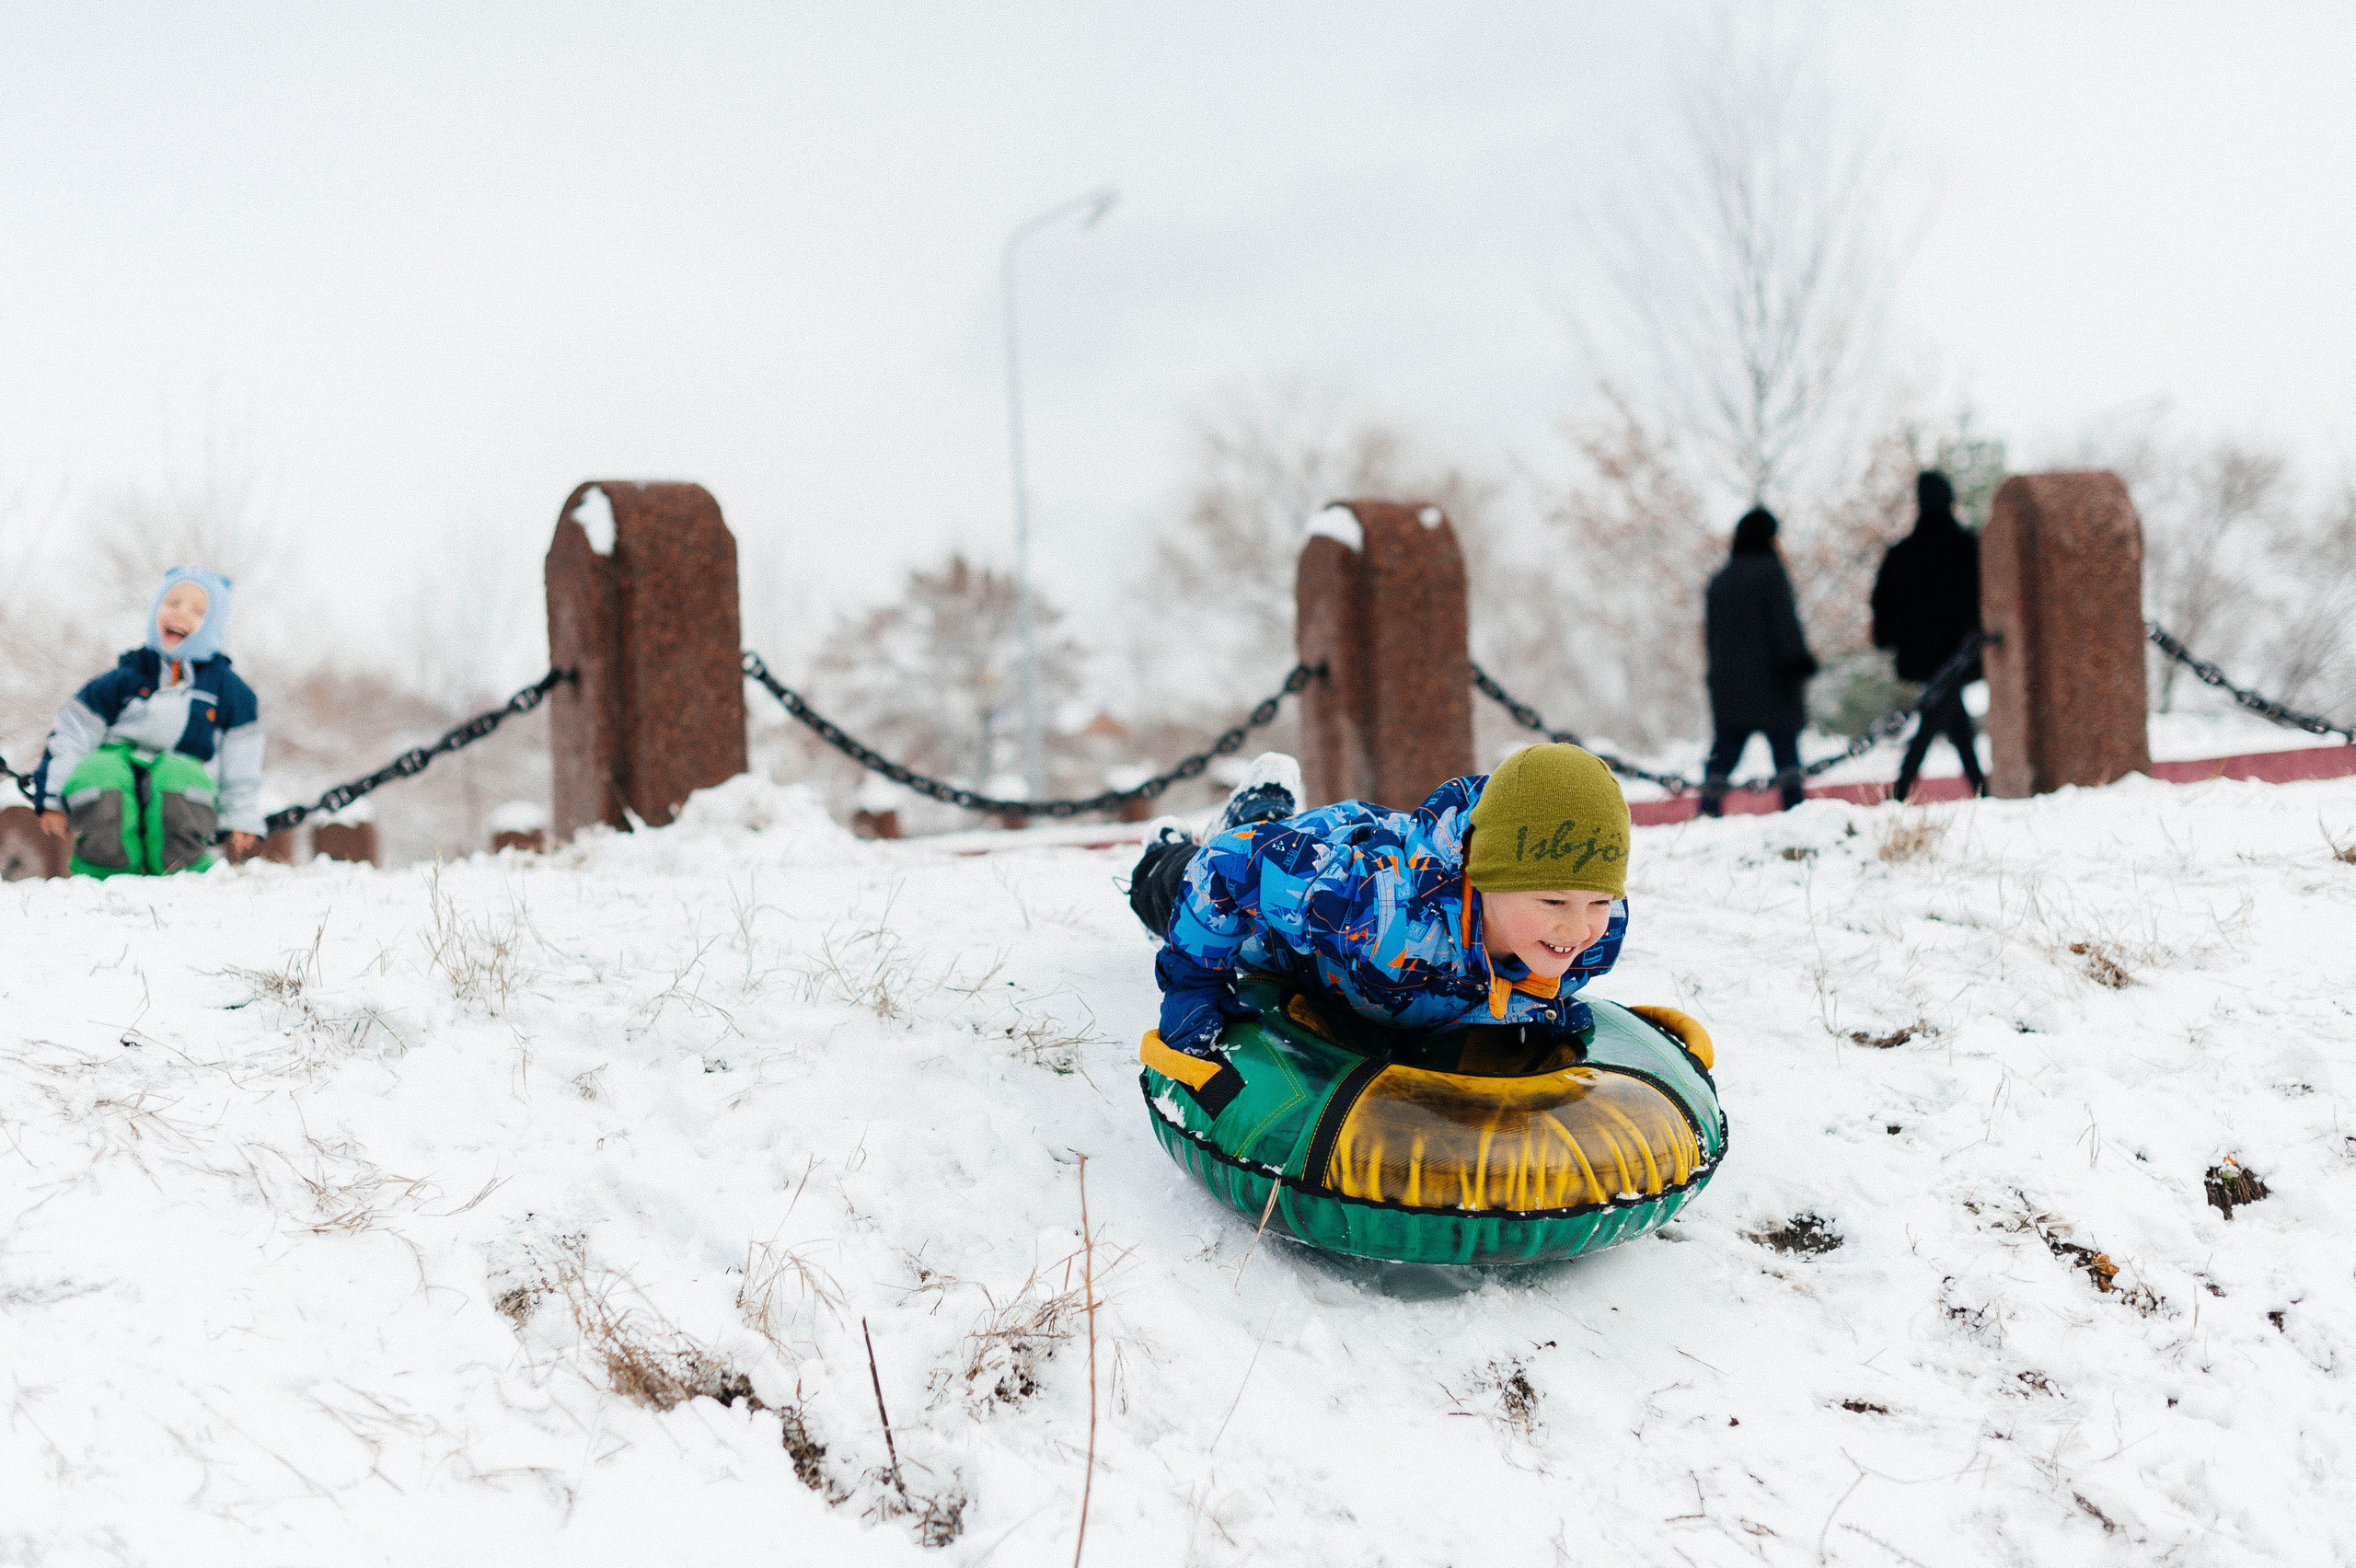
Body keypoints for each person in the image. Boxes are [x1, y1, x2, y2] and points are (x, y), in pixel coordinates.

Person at [1128, 744, 1632, 1065]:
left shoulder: (1594, 941)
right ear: (1486, 876)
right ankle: (1169, 849)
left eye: (1599, 900)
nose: (1578, 928)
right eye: (1553, 901)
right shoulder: (1375, 908)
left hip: (1353, 933)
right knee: (1175, 887)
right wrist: (1195, 983)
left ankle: (1264, 805)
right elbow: (1228, 865)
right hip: (1289, 908)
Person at [32, 567, 264, 876]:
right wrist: (52, 798)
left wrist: (241, 815)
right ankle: (103, 868)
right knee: (100, 770)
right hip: (118, 766)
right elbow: (72, 735)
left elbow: (243, 759)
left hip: (182, 772)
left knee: (178, 775)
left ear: (214, 626)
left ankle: (182, 869)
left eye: (198, 610)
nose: (180, 613)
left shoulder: (227, 690)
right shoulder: (125, 678)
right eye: (172, 603)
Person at [1871, 471, 1986, 801]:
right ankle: (1981, 792)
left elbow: (1883, 604)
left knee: (1941, 714)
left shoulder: (1903, 553)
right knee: (1948, 714)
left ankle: (1902, 793)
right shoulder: (1968, 546)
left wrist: (1889, 638)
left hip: (1921, 654)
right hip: (1960, 651)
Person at [1701, 507, 1817, 814]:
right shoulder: (1772, 574)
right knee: (1787, 760)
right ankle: (1798, 815)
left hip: (1730, 687)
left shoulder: (1720, 581)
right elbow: (1785, 625)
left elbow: (1712, 638)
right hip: (1774, 685)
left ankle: (1707, 811)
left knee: (1722, 757)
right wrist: (1798, 663)